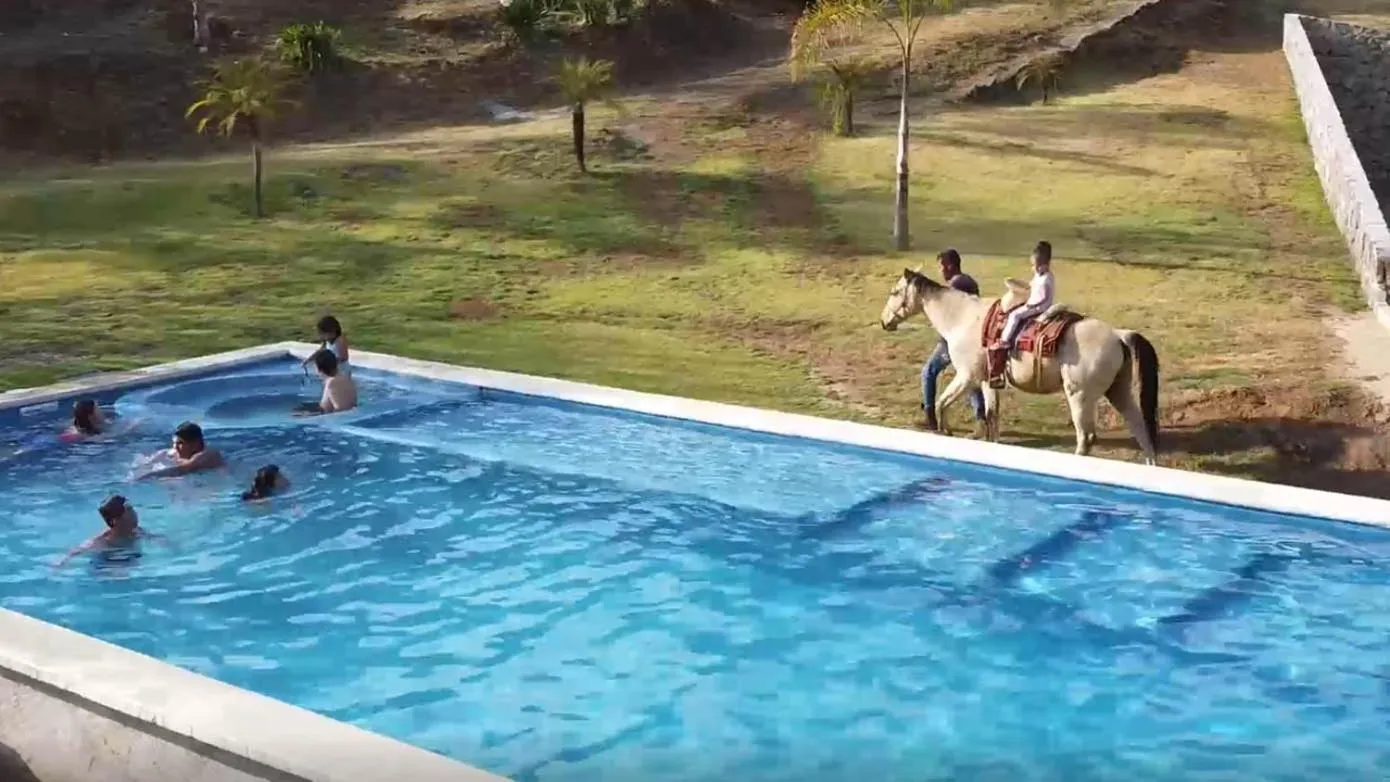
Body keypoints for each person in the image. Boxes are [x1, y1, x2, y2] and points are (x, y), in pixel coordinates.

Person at [922, 249, 986, 432]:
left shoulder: (956, 285)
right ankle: (981, 417)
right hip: (970, 338)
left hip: (955, 341)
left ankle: (930, 417)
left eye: (941, 266)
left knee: (928, 371)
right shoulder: (968, 281)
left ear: (950, 266)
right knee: (970, 378)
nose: (940, 271)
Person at [54, 495, 163, 568]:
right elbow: (80, 549)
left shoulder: (138, 531)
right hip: (107, 561)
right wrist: (63, 561)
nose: (135, 514)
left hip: (128, 558)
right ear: (115, 520)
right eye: (129, 511)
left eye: (133, 509)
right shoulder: (104, 540)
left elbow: (155, 538)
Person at [994, 240, 1056, 353]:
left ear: (1043, 265)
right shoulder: (1040, 275)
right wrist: (1015, 282)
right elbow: (1030, 285)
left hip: (1040, 306)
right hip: (1036, 303)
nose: (1033, 268)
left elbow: (1041, 298)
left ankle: (1005, 340)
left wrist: (1028, 305)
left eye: (1035, 265)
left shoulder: (1046, 279)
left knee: (1014, 315)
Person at [137, 421, 224, 480]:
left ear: (195, 444)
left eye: (180, 443)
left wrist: (148, 477)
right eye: (174, 443)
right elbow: (147, 463)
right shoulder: (172, 453)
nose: (175, 447)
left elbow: (183, 469)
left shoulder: (209, 455)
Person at [294, 349, 357, 417]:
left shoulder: (332, 383)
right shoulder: (347, 379)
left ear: (319, 369)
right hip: (324, 410)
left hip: (327, 415)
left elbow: (341, 411)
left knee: (297, 415)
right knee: (298, 410)